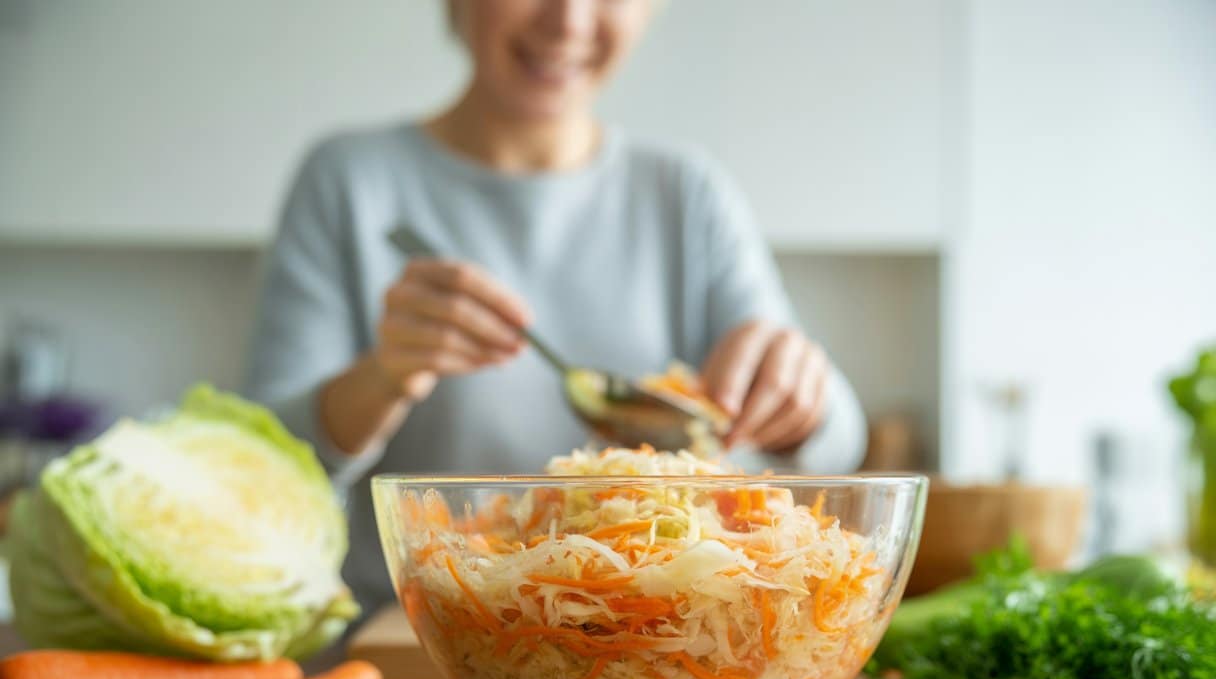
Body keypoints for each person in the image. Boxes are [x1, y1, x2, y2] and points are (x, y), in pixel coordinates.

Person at [246, 0, 867, 614]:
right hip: (420, 640)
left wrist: (801, 395)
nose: (568, 21)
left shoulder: (686, 193)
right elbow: (263, 467)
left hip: (650, 643)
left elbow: (837, 446)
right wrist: (384, 376)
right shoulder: (349, 179)